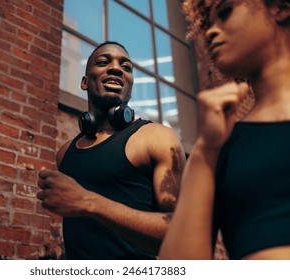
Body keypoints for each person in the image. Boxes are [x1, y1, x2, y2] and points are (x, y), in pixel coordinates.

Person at [159, 0, 290, 260]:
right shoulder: (215, 148)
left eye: (225, 12)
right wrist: (204, 151)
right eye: (208, 25)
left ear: (281, 7)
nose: (211, 32)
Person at [36, 41, 186, 260]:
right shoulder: (65, 153)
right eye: (104, 62)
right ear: (85, 82)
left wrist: (87, 201)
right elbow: (104, 234)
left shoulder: (157, 137)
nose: (116, 68)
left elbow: (183, 233)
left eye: (126, 67)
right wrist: (64, 248)